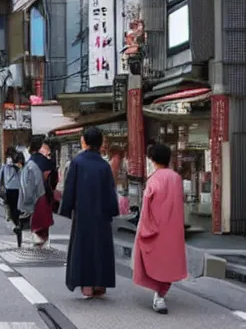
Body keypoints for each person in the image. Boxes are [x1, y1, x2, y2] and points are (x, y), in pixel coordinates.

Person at [60, 127, 119, 298]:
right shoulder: (104, 166)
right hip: (101, 214)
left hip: (83, 213)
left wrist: (66, 209)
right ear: (100, 143)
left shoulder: (77, 162)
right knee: (100, 248)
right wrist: (111, 211)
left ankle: (86, 285)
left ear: (84, 142)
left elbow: (70, 189)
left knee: (83, 248)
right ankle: (100, 284)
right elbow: (110, 192)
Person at [132, 143, 187, 314]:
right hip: (173, 226)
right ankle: (162, 292)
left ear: (153, 160)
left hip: (155, 225)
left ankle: (158, 295)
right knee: (169, 260)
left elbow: (147, 206)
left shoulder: (154, 179)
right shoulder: (176, 178)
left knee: (152, 260)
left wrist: (144, 227)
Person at [19, 138, 58, 247]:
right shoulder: (48, 162)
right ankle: (44, 240)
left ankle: (36, 240)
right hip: (46, 194)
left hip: (34, 195)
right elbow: (54, 179)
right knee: (45, 219)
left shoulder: (29, 163)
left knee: (35, 218)